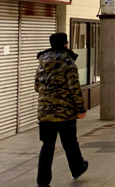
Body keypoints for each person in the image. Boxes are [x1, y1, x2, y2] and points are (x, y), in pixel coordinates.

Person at [35, 32, 89, 187]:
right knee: (70, 143)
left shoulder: (42, 62)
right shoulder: (68, 61)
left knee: (47, 146)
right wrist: (80, 108)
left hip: (45, 112)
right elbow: (74, 87)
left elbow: (37, 86)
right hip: (65, 112)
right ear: (65, 44)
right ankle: (77, 168)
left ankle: (43, 181)